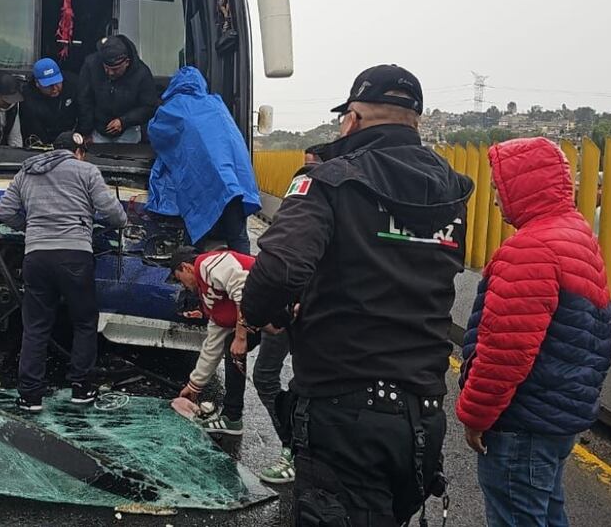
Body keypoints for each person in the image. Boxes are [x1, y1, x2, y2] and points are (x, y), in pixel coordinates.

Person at [241, 64, 474, 526]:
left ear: (354, 118)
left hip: (343, 409)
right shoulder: (450, 191)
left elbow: (280, 268)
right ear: (416, 121)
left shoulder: (330, 180)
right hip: (422, 416)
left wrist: (261, 315)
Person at [457, 137, 611, 527]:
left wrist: (476, 415)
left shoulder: (530, 249)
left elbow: (505, 350)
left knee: (517, 514)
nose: (495, 200)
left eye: (499, 188)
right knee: (545, 512)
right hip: (557, 415)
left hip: (522, 421)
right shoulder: (575, 235)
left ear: (523, 186)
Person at [0, 131, 127, 412]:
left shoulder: (26, 172)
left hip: (36, 257)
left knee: (36, 327)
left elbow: (4, 211)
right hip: (74, 256)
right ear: (78, 152)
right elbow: (115, 216)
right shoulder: (86, 171)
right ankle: (81, 388)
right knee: (83, 322)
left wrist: (31, 227)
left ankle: (30, 396)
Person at [252, 144, 324, 485]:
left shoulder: (338, 198)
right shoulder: (302, 190)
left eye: (315, 164)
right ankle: (291, 445)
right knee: (267, 377)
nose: (307, 169)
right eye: (306, 164)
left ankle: (298, 452)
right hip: (284, 312)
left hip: (309, 318)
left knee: (308, 386)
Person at [146, 66, 260, 255]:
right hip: (234, 183)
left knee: (196, 239)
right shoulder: (216, 104)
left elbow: (155, 132)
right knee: (238, 238)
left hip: (203, 184)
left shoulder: (175, 107)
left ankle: (192, 278)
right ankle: (245, 279)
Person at [169, 246, 265, 436]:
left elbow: (244, 288)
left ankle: (297, 445)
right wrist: (194, 384)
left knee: (266, 379)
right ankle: (232, 418)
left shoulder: (208, 264)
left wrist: (240, 336)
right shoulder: (209, 299)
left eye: (181, 280)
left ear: (186, 267)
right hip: (267, 317)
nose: (185, 287)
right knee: (233, 351)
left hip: (284, 306)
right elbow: (212, 345)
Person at [77, 35, 158, 144]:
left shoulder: (142, 74)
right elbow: (84, 100)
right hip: (97, 130)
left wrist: (124, 121)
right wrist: (85, 131)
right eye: (106, 68)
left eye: (115, 69)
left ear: (127, 62)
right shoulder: (91, 66)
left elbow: (149, 106)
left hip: (129, 130)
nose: (110, 73)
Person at [21, 57, 80, 146]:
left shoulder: (73, 83)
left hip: (70, 135)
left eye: (57, 82)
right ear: (37, 83)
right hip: (42, 138)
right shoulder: (27, 98)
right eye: (49, 85)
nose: (54, 88)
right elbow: (34, 129)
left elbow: (85, 109)